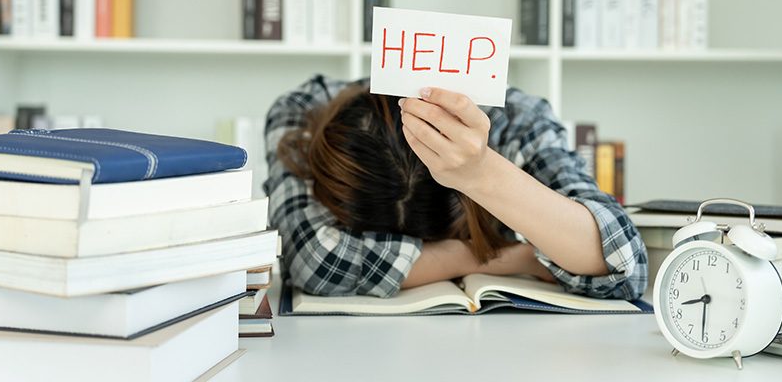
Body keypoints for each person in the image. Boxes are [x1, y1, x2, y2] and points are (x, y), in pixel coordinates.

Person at [263, 74, 647, 300]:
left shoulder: (516, 120)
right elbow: (312, 259)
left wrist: (481, 174)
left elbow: (625, 265)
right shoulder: (301, 110)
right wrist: (507, 258)